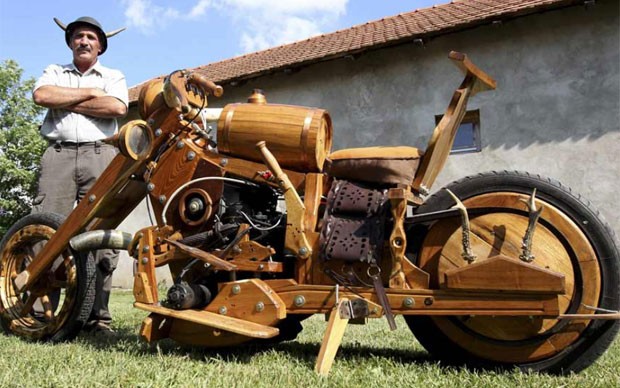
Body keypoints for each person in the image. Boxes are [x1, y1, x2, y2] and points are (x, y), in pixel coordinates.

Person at [32, 16, 128, 334]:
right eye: (77, 36)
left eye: (89, 36)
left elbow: (116, 109)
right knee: (45, 230)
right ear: (71, 42)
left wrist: (68, 101)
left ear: (100, 45)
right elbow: (42, 96)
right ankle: (41, 312)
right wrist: (89, 93)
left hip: (101, 155)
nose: (83, 41)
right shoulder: (54, 72)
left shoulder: (114, 76)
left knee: (103, 234)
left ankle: (97, 317)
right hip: (57, 154)